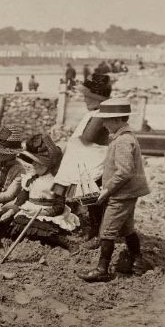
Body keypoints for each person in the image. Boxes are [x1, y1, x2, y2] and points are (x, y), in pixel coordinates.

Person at [77, 98, 150, 282]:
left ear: (117, 120)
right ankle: (137, 262)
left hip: (121, 194)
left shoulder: (123, 141)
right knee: (127, 228)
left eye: (106, 120)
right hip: (127, 193)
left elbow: (125, 172)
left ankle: (103, 269)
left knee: (107, 231)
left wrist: (107, 189)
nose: (103, 123)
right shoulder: (124, 137)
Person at [53, 74, 112, 248]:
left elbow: (87, 137)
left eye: (88, 97)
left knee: (94, 200)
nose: (85, 100)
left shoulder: (101, 115)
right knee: (89, 199)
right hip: (87, 161)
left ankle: (98, 234)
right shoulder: (94, 113)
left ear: (96, 98)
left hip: (95, 161)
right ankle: (94, 231)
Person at [0, 134, 80, 248]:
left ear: (49, 165)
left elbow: (59, 206)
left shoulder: (57, 181)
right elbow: (23, 196)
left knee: (43, 228)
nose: (34, 165)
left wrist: (42, 213)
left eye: (39, 163)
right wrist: (11, 211)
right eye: (33, 161)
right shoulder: (30, 178)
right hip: (30, 211)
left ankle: (64, 242)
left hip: (47, 213)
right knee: (17, 224)